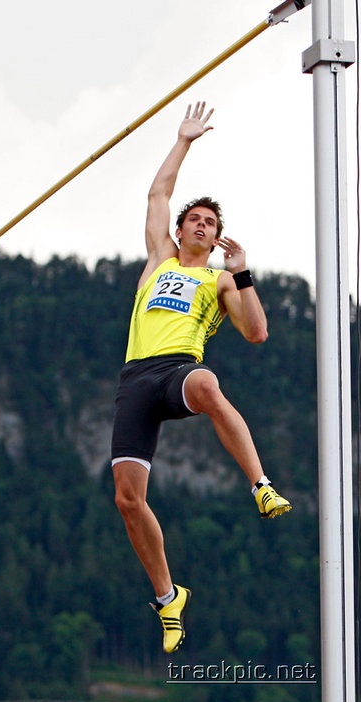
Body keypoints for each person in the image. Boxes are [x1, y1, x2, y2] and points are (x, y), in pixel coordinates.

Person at [111, 101, 292, 654]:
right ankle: (170, 599)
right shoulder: (160, 257)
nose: (200, 225)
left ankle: (260, 485)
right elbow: (158, 195)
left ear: (216, 239)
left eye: (210, 224)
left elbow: (257, 333)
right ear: (183, 228)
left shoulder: (220, 281)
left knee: (208, 385)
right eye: (195, 219)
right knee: (127, 499)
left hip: (177, 371)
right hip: (135, 381)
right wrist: (183, 140)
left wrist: (242, 272)